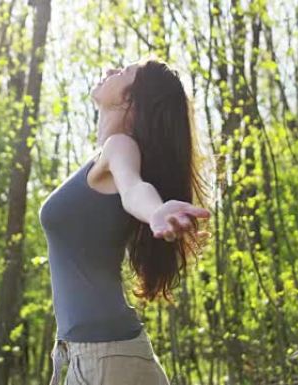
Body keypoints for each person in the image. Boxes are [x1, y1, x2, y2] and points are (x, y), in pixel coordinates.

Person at [38, 55, 212, 385]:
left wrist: (156, 212)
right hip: (97, 354)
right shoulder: (103, 158)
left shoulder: (120, 147)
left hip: (105, 357)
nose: (109, 70)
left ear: (129, 99)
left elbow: (134, 189)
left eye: (123, 72)